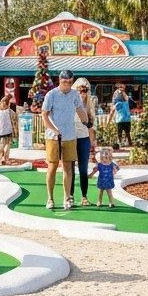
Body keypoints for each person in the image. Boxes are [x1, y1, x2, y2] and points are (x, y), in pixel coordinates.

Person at [41, 69, 83, 211]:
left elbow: (80, 110)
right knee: (52, 167)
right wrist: (54, 130)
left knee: (68, 168)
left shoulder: (75, 94)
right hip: (53, 137)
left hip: (70, 135)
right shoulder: (51, 95)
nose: (67, 85)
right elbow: (44, 116)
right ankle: (50, 198)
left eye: (70, 82)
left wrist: (87, 123)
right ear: (60, 81)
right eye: (65, 82)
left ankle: (67, 198)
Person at [71, 77, 97, 205]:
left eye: (85, 90)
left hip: (84, 139)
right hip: (70, 139)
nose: (82, 93)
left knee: (83, 169)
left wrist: (92, 146)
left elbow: (92, 128)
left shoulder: (89, 106)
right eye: (79, 90)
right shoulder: (69, 104)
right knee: (69, 168)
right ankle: (69, 196)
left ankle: (84, 196)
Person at [0, 93, 17, 165]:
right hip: (7, 130)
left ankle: (0, 159)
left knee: (1, 145)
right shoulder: (9, 111)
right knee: (8, 145)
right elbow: (14, 117)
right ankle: (6, 159)